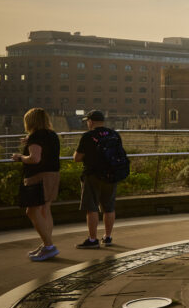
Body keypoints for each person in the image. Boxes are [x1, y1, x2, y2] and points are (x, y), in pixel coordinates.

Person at [12, 108, 61, 262]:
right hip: (53, 175)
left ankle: (49, 246)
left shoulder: (36, 136)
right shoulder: (52, 135)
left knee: (31, 211)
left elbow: (34, 159)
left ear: (30, 121)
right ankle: (46, 244)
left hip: (38, 176)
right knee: (45, 210)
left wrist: (20, 157)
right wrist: (29, 141)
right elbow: (44, 148)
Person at [73, 110, 121, 247]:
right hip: (111, 175)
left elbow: (77, 158)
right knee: (109, 207)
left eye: (87, 121)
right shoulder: (114, 134)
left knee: (92, 207)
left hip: (93, 175)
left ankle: (93, 239)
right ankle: (108, 237)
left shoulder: (88, 136)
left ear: (91, 121)